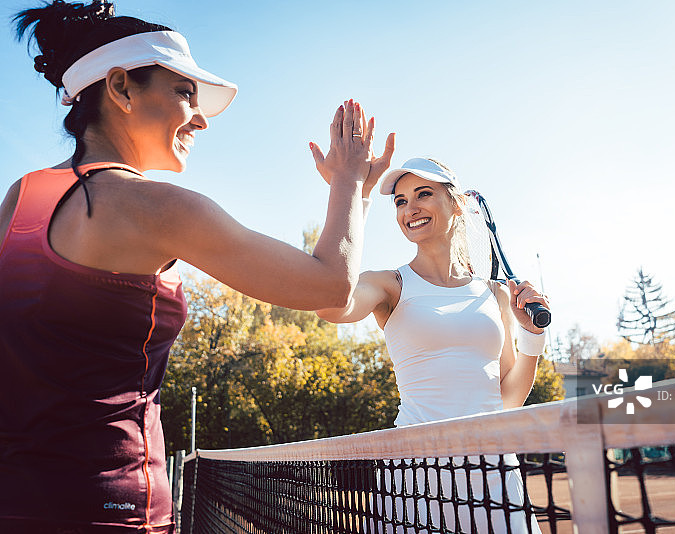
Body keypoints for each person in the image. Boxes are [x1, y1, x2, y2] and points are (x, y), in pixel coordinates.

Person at [0, 1, 394, 532]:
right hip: (111, 511)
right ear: (121, 88)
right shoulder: (159, 207)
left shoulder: (19, 198)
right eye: (185, 93)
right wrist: (351, 184)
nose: (202, 118)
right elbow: (328, 286)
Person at [316, 157, 549, 533]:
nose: (411, 208)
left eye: (424, 194)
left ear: (456, 204)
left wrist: (533, 337)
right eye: (401, 201)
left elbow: (507, 398)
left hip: (492, 471)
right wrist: (351, 193)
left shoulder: (495, 294)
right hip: (415, 476)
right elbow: (327, 302)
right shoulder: (389, 284)